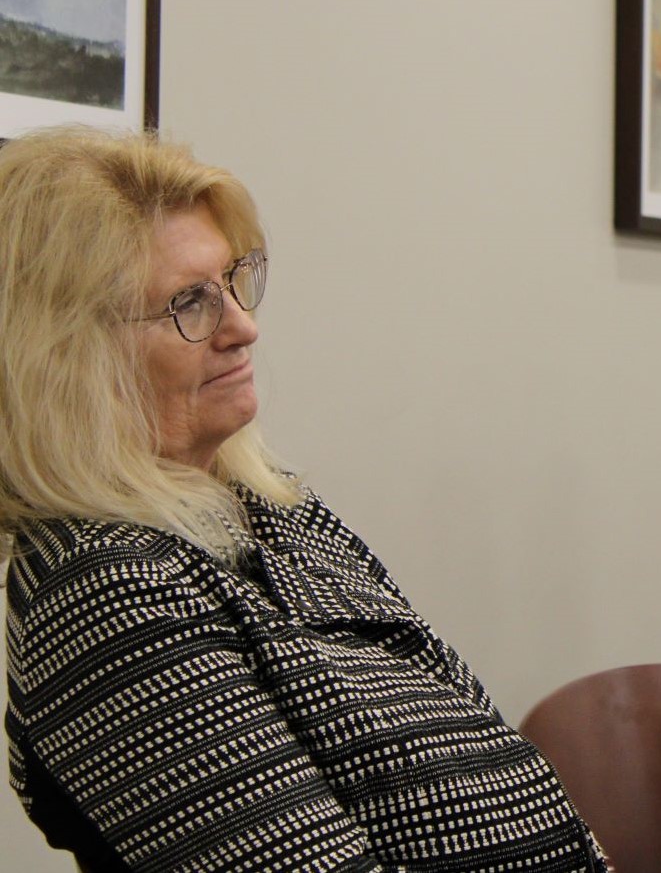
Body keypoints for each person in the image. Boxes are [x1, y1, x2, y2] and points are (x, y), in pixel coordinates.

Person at [0, 127, 607, 872]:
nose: (243, 326)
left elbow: (486, 743)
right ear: (62, 356)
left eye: (233, 282)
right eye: (189, 303)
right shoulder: (104, 590)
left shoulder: (277, 510)